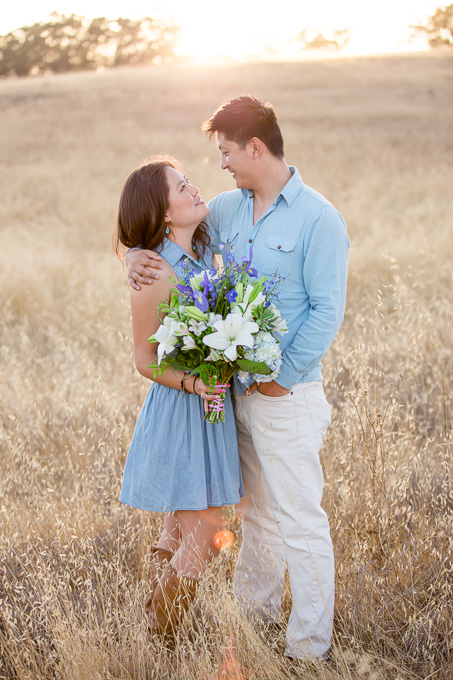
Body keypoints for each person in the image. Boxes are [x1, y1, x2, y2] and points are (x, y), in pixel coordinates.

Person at [125, 96, 349, 661]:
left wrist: (282, 377)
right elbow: (164, 242)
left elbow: (326, 310)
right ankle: (253, 625)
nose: (219, 165)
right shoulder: (225, 209)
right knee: (256, 517)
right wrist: (132, 255)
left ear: (254, 147)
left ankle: (307, 648)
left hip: (285, 396)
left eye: (226, 152)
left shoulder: (319, 218)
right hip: (228, 401)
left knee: (298, 517)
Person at [115, 156, 244, 638]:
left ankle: (152, 626)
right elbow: (145, 360)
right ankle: (160, 629)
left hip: (209, 408)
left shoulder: (199, 250)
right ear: (163, 213)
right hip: (181, 410)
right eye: (181, 186)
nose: (194, 189)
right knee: (208, 535)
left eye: (190, 181)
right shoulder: (155, 273)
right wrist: (197, 383)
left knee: (176, 527)